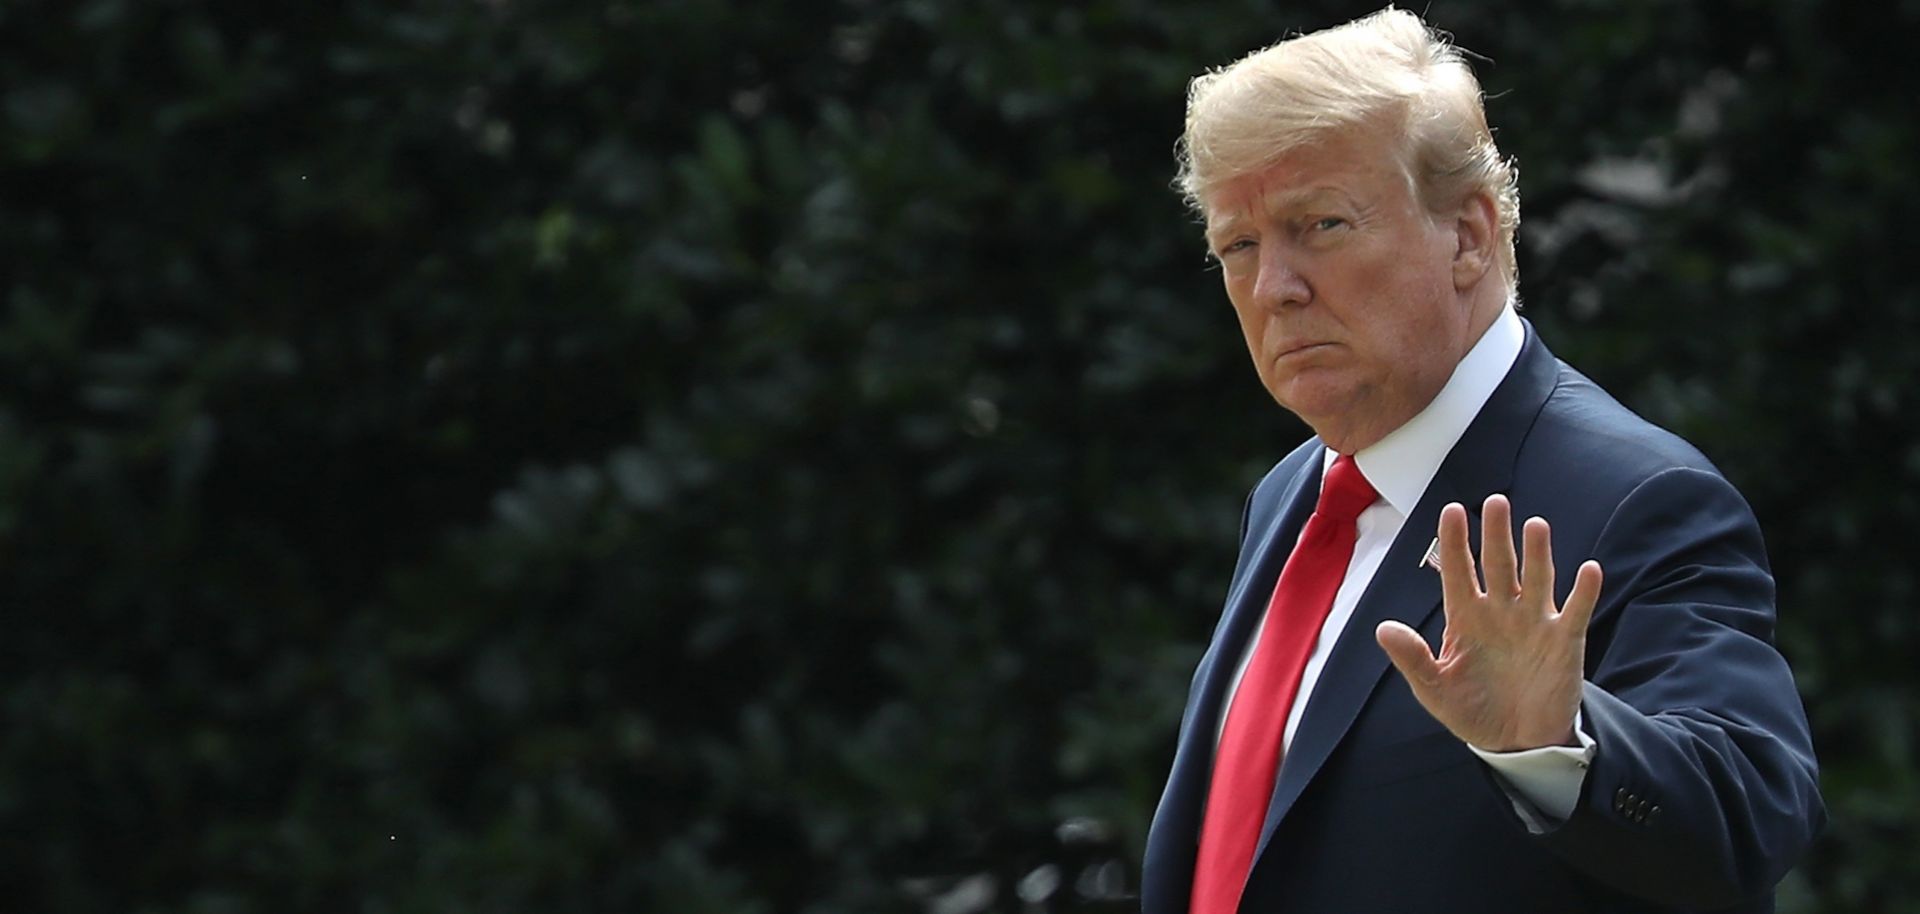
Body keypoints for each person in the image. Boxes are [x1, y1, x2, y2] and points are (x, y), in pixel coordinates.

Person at [1140, 9, 1823, 913]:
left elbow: (1748, 822)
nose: (1274, 288)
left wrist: (1557, 746)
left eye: (1322, 225)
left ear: (1467, 236)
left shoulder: (1639, 497)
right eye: (1240, 245)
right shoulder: (1293, 496)